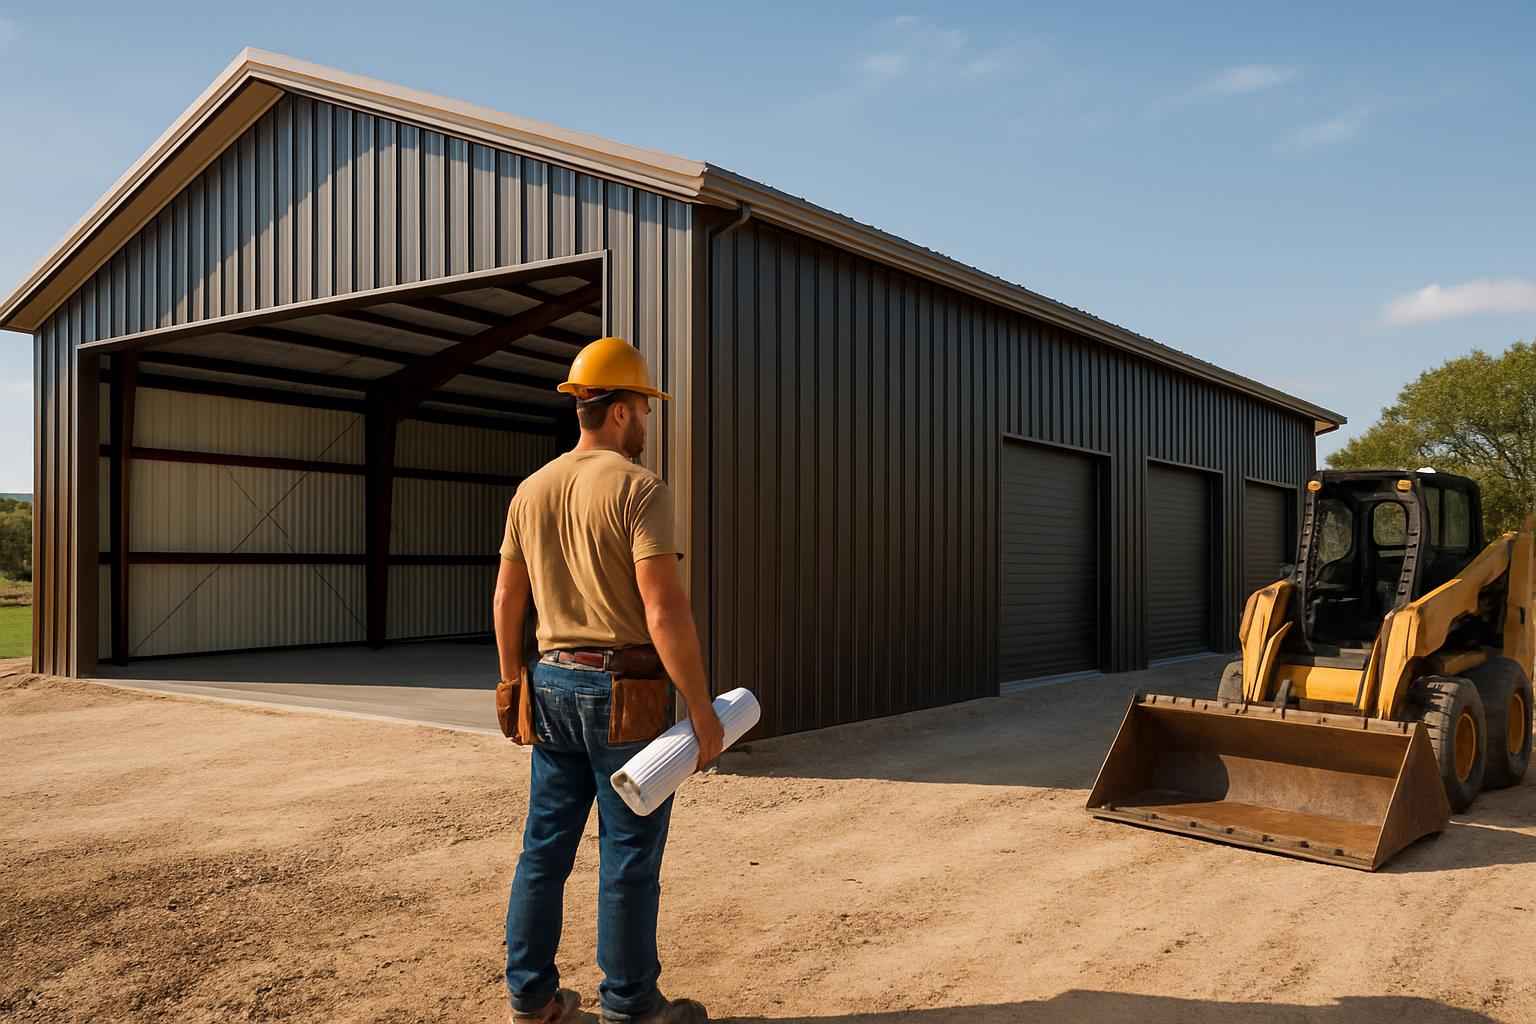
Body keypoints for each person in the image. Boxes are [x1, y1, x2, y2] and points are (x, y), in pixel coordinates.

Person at [494, 336, 725, 1024]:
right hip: (625, 693)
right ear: (620, 410)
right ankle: (630, 1005)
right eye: (645, 407)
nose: (648, 421)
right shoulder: (639, 488)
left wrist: (511, 685)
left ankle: (531, 998)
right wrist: (701, 709)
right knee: (627, 856)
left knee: (543, 851)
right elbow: (663, 608)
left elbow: (507, 599)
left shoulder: (532, 489)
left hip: (551, 683)